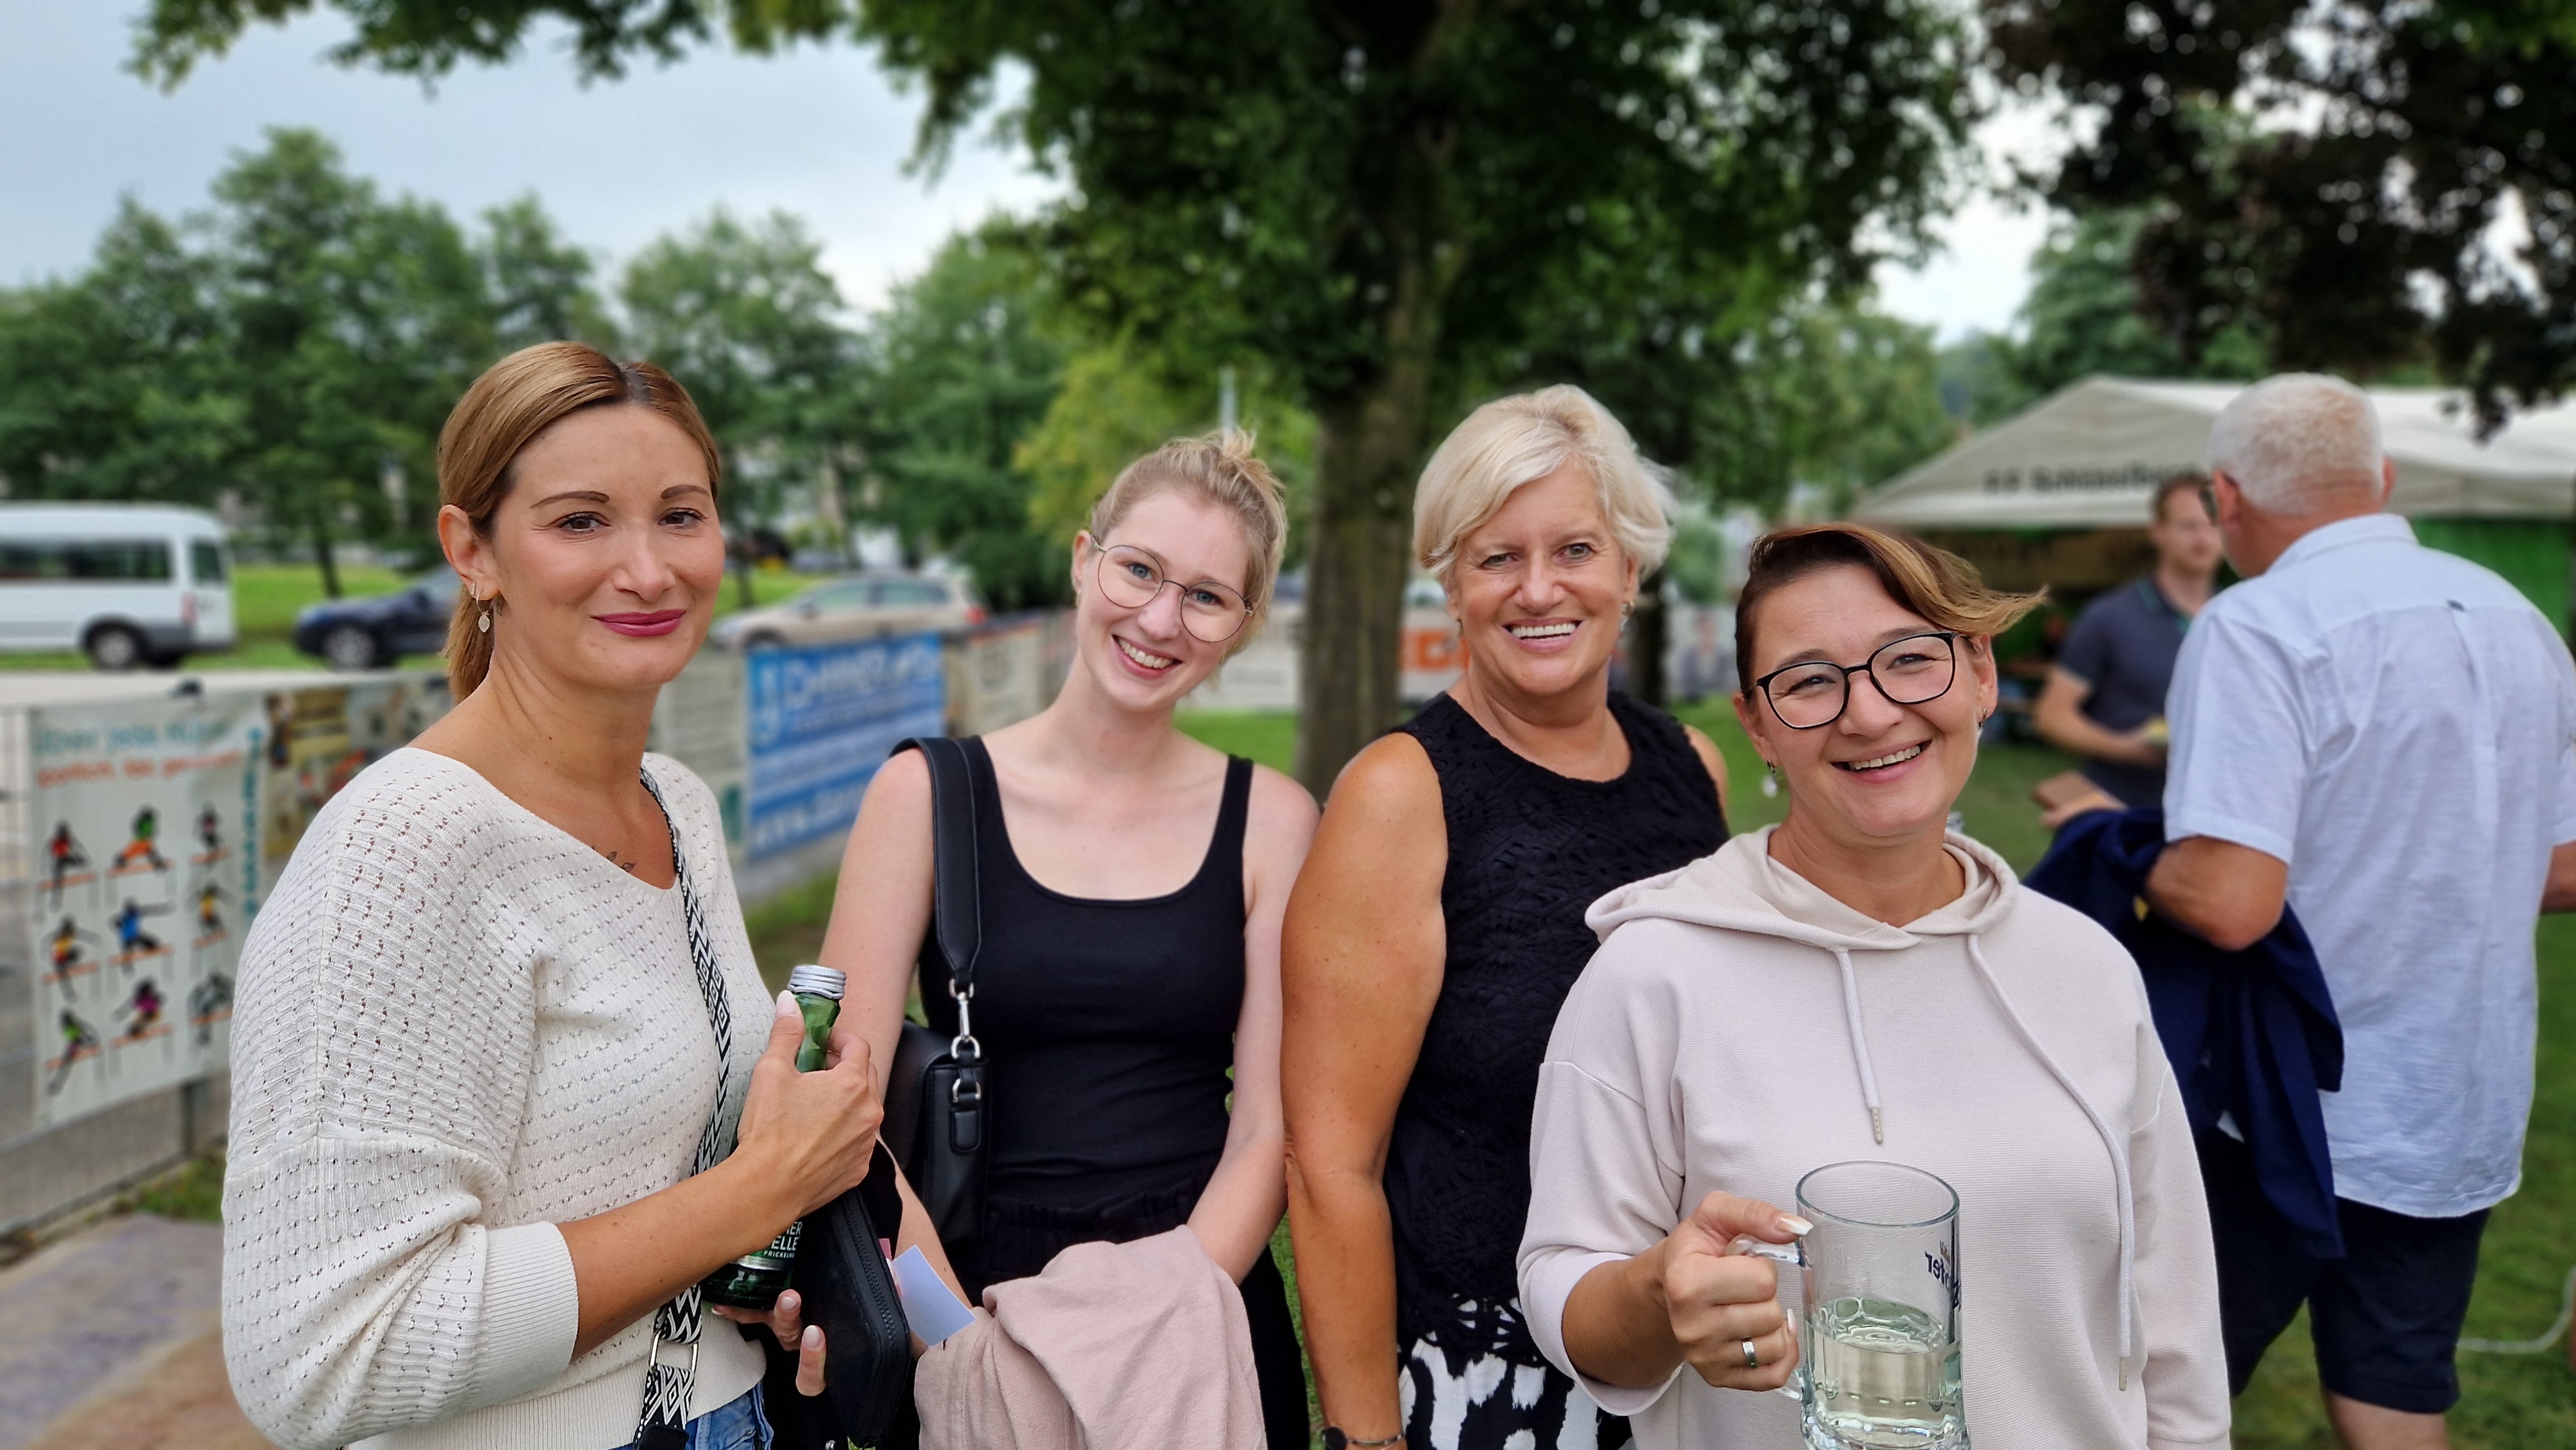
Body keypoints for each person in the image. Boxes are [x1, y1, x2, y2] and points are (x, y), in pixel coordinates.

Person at [223, 342, 941, 1450]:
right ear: (472, 551)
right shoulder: (403, 848)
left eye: (681, 515)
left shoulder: (676, 804)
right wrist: (754, 1193)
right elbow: (318, 1354)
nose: (648, 571)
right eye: (581, 521)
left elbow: (656, 1182)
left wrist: (763, 1271)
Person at [1517, 522, 2230, 1450]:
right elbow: (1564, 1280)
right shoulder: (1655, 973)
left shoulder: (2086, 968)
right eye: (1809, 682)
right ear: (1757, 726)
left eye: (1909, 659)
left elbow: (2172, 1323)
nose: (1869, 712)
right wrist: (1658, 1294)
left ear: (1980, 674)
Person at [823, 433, 1320, 1450]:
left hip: (1196, 1299)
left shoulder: (1274, 820)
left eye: (1207, 596)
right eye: (1139, 570)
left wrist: (1169, 1315)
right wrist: (958, 1347)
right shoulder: (923, 797)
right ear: (1085, 559)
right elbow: (840, 1117)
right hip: (970, 1295)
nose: (1160, 619)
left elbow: (1270, 1130)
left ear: (1241, 627)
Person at [1283, 386, 1731, 1450]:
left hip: (1697, 1365)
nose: (1538, 589)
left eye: (1575, 549)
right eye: (1497, 558)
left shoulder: (1693, 771)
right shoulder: (1402, 796)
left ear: (1630, 569)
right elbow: (1330, 1165)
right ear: (1450, 584)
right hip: (1493, 1389)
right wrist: (1368, 1441)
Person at [2143, 374, 2576, 1450]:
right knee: (2395, 1393)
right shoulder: (2517, 616)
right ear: (2381, 479)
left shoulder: (2256, 623)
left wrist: (2127, 857)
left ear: (2225, 496)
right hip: (2455, 1098)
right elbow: (2564, 869)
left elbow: (2232, 902)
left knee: (2157, 1387)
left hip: (2278, 1105)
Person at [2034, 472, 2222, 811]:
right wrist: (2126, 748)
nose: (2203, 538)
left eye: (2212, 524)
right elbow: (2052, 715)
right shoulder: (2109, 616)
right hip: (2120, 813)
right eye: (2188, 526)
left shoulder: (2238, 617)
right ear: (2158, 532)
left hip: (2210, 813)